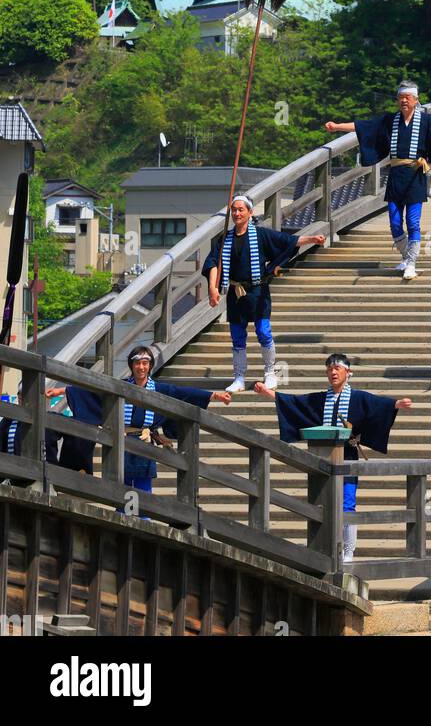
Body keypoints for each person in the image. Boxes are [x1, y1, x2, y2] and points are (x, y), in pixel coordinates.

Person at [255, 352, 412, 565]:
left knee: (347, 503)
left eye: (337, 368)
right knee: (323, 502)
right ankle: (324, 547)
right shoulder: (321, 399)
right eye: (329, 369)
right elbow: (295, 403)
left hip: (347, 457)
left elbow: (378, 405)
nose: (333, 372)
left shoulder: (358, 397)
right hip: (322, 457)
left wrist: (396, 405)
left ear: (348, 372)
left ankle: (348, 550)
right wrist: (268, 393)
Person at [326, 80, 431, 280]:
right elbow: (364, 126)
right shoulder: (390, 120)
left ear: (416, 100)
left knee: (413, 222)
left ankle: (411, 263)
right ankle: (406, 256)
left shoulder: (426, 120)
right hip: (396, 175)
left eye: (408, 97)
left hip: (415, 175)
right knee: (395, 222)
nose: (404, 101)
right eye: (401, 98)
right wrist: (337, 127)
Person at [50, 346, 232, 496]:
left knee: (143, 490)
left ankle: (142, 517)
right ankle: (123, 517)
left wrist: (214, 395)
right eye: (137, 363)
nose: (141, 367)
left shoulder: (159, 389)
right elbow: (92, 391)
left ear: (150, 366)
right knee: (119, 487)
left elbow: (184, 393)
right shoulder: (120, 385)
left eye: (145, 363)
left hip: (145, 443)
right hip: (121, 440)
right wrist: (62, 391)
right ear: (132, 365)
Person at [203, 194, 325, 391]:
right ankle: (239, 377)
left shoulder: (260, 235)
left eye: (241, 209)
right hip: (236, 292)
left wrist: (311, 239)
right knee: (237, 335)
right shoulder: (225, 238)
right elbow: (213, 263)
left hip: (258, 291)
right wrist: (212, 288)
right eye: (234, 210)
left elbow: (287, 240)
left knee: (263, 331)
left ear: (250, 213)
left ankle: (270, 373)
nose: (237, 213)